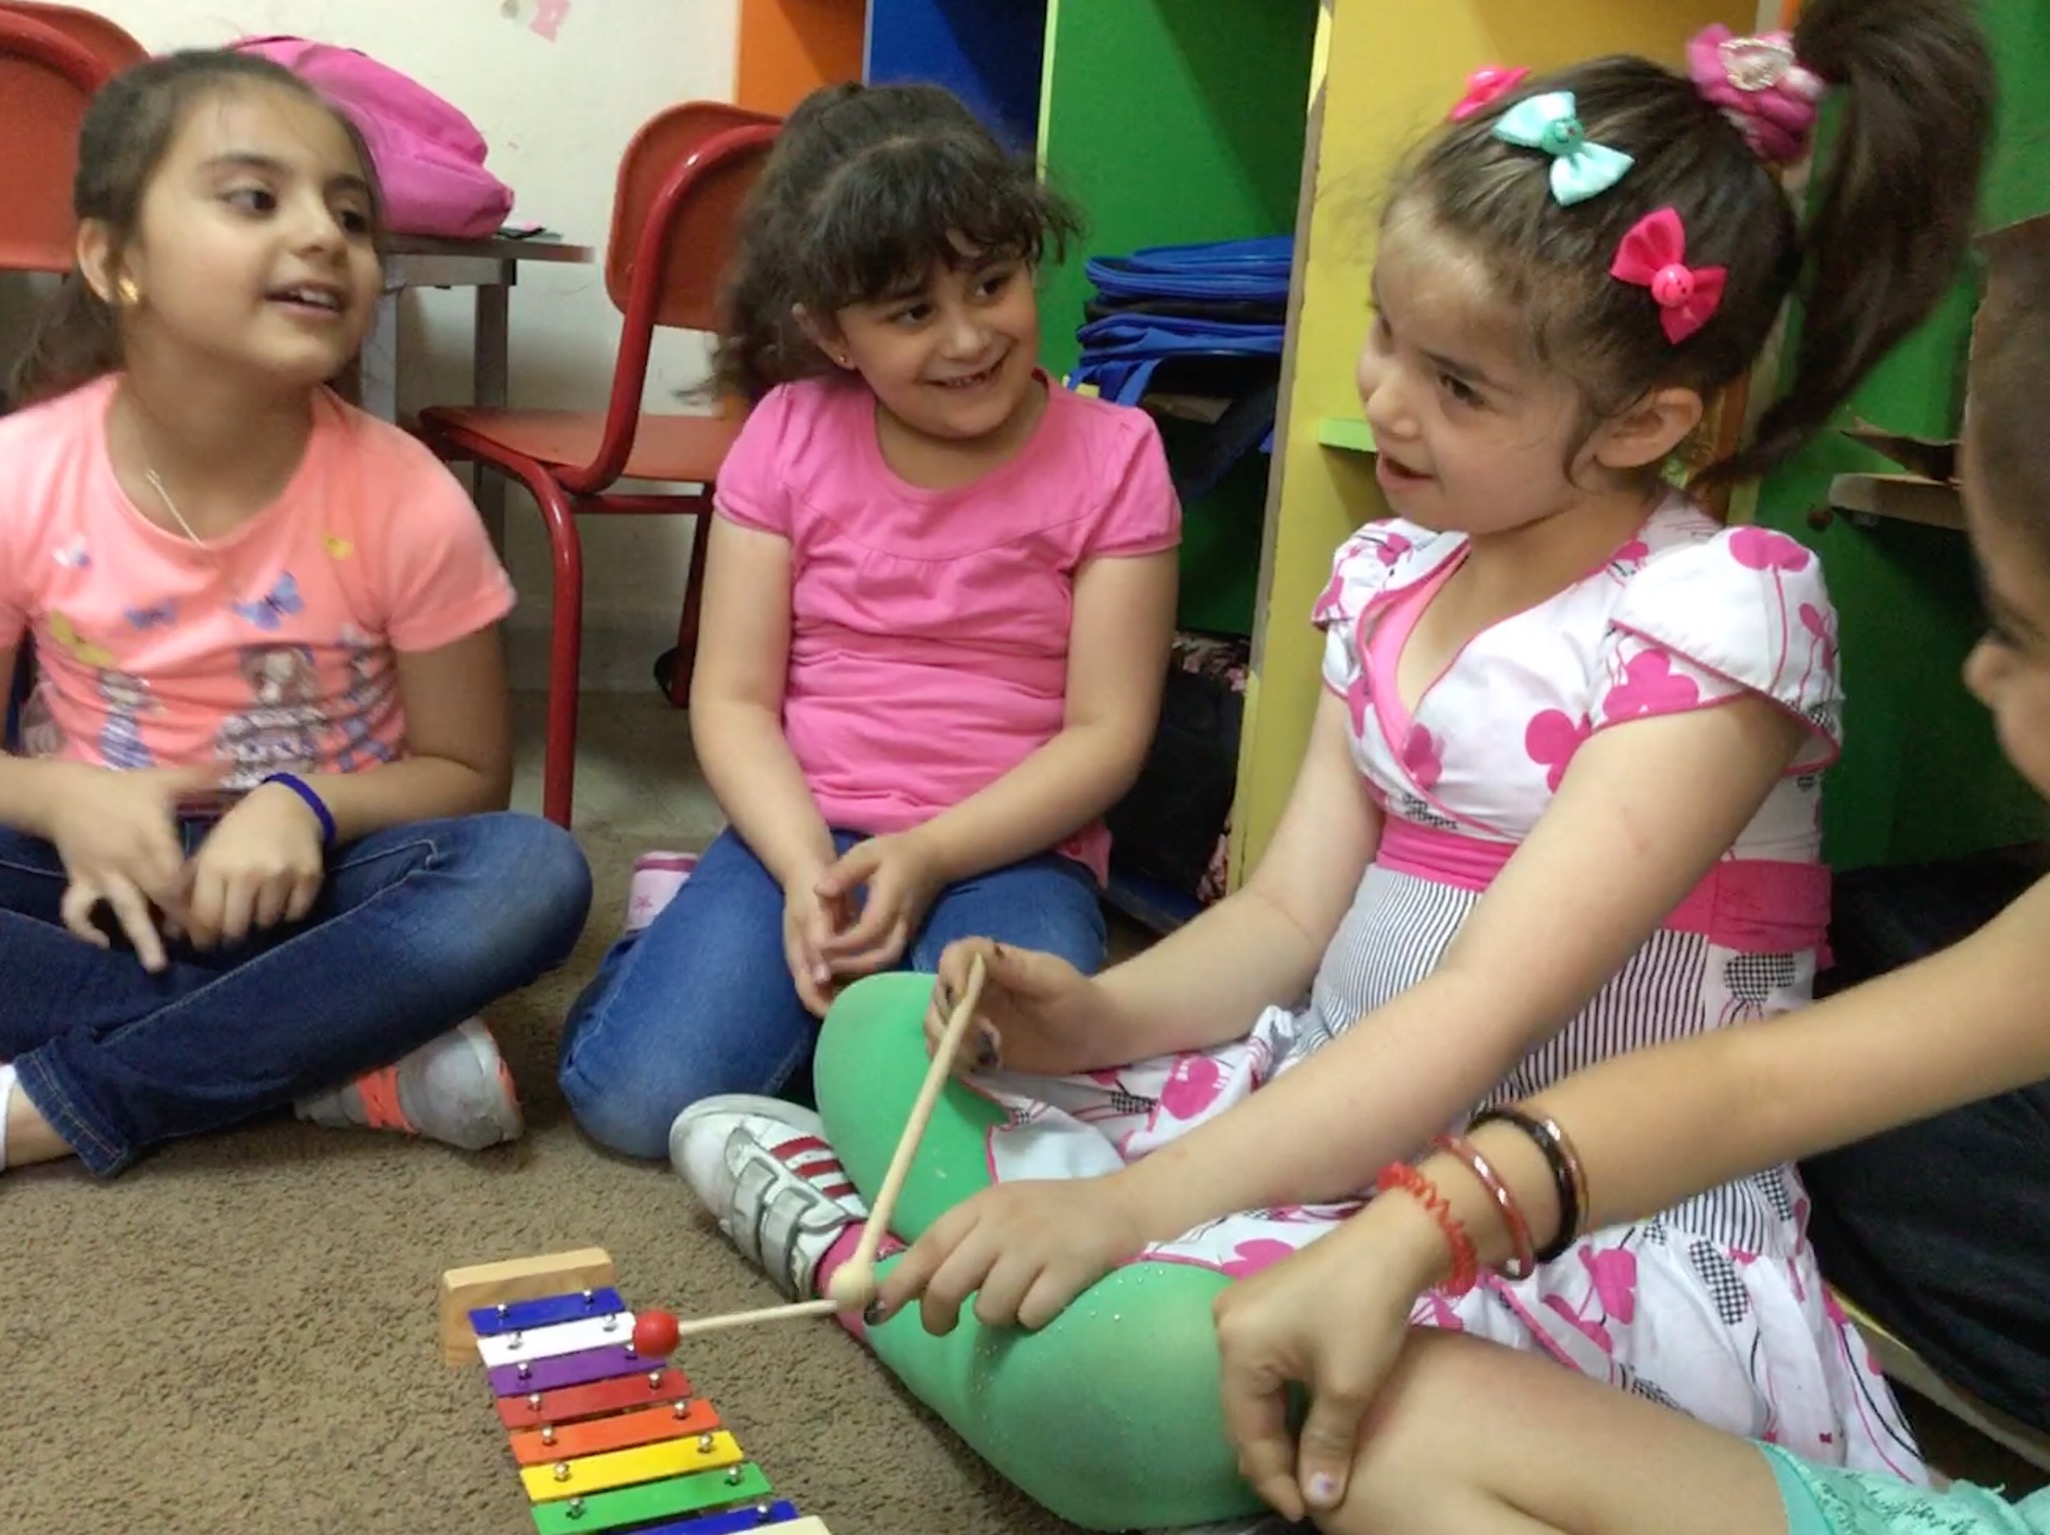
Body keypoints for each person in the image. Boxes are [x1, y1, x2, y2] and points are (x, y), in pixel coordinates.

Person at [667, 4, 1995, 1529]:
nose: (1388, 397)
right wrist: (1090, 1012)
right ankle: (957, 1277)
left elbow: (1477, 1008)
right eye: (1384, 333)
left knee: (1195, 1377)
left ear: (1645, 419)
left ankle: (882, 1272)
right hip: (1321, 1103)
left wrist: (1130, 1201)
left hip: (1541, 1201)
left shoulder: (1717, 621)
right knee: (904, 1020)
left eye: (1462, 384)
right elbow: (1289, 919)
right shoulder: (1388, 578)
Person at [1206, 207, 2050, 1535]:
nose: (1982, 669)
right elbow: (1752, 1079)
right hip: (1433, 1146)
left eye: (2017, 625)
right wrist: (1417, 1222)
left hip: (1641, 1248)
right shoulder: (1382, 575)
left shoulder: (1716, 609)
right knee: (1381, 1422)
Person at [557, 82, 1180, 1159]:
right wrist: (803, 869)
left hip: (1010, 848)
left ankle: (826, 1008)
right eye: (909, 312)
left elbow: (1106, 734)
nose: (969, 335)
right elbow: (737, 697)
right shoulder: (789, 435)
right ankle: (683, 927)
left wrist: (933, 851)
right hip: (806, 831)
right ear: (831, 335)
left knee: (1000, 1112)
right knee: (634, 1102)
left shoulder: (1117, 455)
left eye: (991, 283)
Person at [0, 51, 593, 1178]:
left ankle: (71, 1094)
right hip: (92, 878)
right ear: (113, 259)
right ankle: (326, 1044)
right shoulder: (21, 473)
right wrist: (62, 795)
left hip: (328, 884)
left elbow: (469, 773)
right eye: (255, 198)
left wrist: (305, 806)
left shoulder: (404, 491)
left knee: (533, 874)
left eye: (352, 213)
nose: (326, 235)